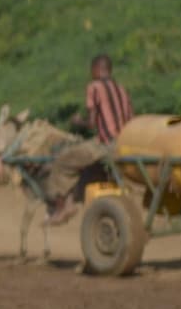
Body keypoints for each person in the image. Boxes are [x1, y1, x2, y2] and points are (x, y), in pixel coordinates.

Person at [45, 53, 134, 225]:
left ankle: (61, 206)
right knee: (83, 162)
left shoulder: (94, 87)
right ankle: (74, 197)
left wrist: (79, 121)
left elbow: (92, 123)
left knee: (62, 161)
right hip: (125, 142)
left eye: (91, 70)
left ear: (98, 69)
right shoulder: (121, 88)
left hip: (106, 145)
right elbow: (131, 119)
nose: (90, 74)